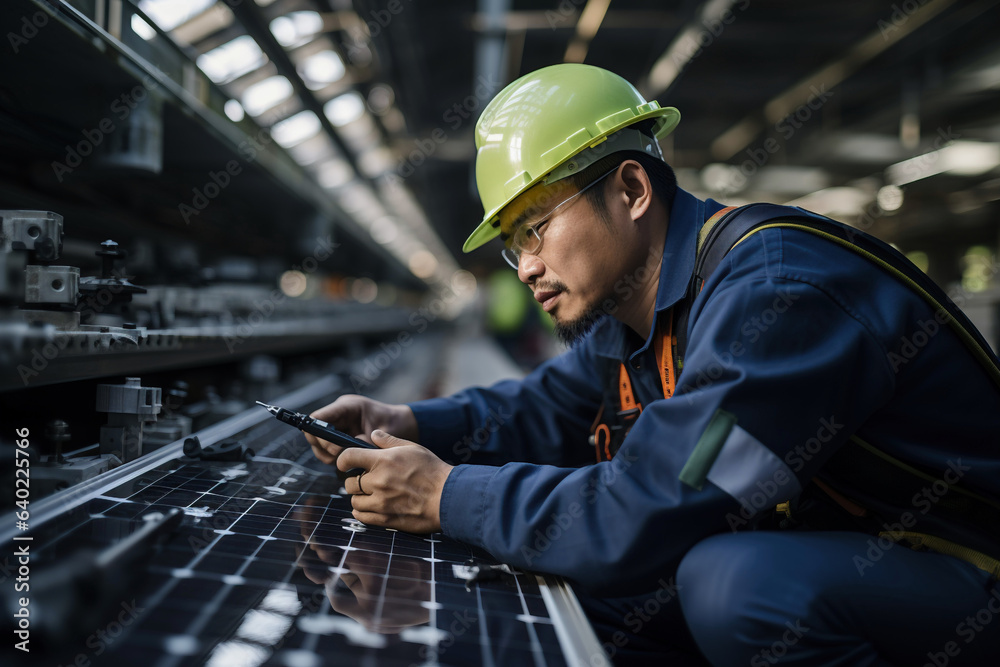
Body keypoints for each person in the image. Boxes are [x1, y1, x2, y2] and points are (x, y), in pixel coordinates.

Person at [305, 64, 1000, 665]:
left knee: (733, 584)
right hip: (859, 555)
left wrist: (445, 494)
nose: (525, 267)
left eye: (536, 227)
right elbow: (545, 407)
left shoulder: (778, 292)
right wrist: (408, 420)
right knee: (587, 587)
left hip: (965, 564)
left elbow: (656, 500)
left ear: (632, 190)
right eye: (512, 244)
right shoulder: (640, 316)